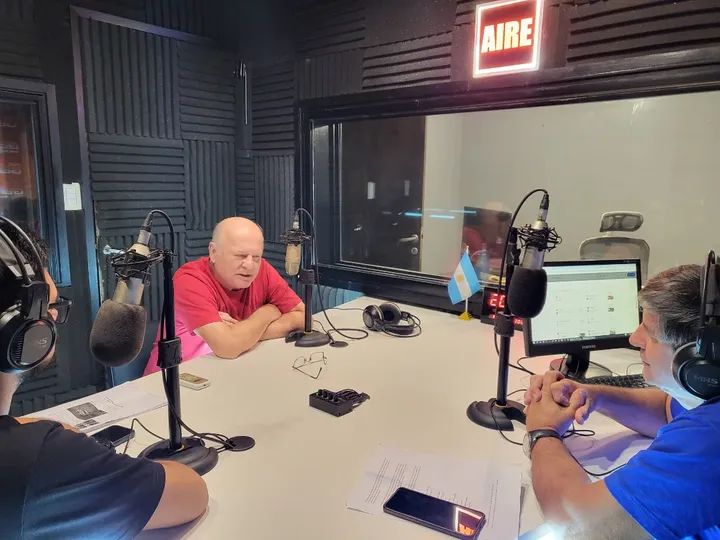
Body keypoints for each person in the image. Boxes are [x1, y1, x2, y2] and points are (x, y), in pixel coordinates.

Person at [0, 221, 209, 538]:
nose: (54, 318)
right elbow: (191, 494)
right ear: (25, 329)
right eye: (51, 306)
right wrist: (59, 446)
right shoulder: (38, 460)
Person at [523, 264, 720, 539]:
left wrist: (542, 431)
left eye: (650, 334)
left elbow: (577, 526)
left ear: (694, 360)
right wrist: (595, 396)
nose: (634, 338)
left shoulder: (708, 439)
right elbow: (667, 411)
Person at [143, 217, 304, 375]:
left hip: (227, 371)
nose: (250, 265)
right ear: (213, 252)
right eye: (240, 255)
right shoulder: (189, 279)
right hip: (173, 381)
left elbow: (303, 317)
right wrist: (267, 312)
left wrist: (242, 333)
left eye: (256, 257)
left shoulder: (263, 271)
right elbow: (228, 347)